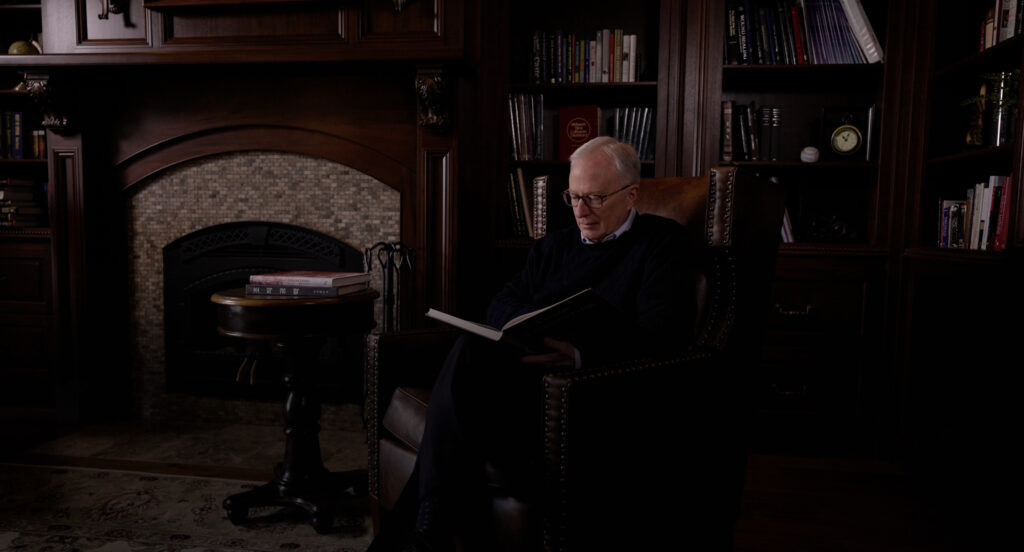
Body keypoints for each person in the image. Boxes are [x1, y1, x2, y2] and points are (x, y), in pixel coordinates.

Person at [368, 137, 695, 551]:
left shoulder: (662, 244)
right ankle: (429, 524)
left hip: (590, 390)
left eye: (594, 198)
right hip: (521, 377)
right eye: (573, 197)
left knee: (459, 411)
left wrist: (578, 354)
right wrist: (522, 332)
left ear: (631, 195)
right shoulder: (555, 245)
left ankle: (423, 527)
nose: (580, 211)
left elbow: (664, 332)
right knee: (472, 348)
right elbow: (503, 301)